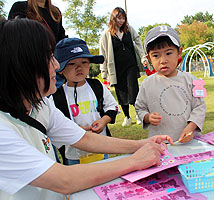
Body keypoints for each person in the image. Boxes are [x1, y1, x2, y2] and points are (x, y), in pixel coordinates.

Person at [0, 18, 173, 200]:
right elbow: (64, 180)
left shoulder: (40, 104)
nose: (57, 66)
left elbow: (82, 138)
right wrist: (134, 161)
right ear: (23, 65)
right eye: (49, 58)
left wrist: (142, 145)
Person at [52, 37, 120, 165]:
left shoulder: (97, 86)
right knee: (78, 182)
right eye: (72, 64)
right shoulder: (56, 95)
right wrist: (74, 130)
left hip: (100, 146)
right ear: (60, 68)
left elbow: (112, 108)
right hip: (73, 153)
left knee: (104, 176)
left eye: (84, 62)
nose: (79, 68)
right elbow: (53, 124)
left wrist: (103, 121)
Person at [135, 25, 206, 142]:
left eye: (168, 53)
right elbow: (140, 108)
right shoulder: (147, 84)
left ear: (179, 52)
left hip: (190, 141)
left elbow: (199, 107)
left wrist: (191, 126)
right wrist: (147, 117)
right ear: (149, 58)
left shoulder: (190, 80)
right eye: (156, 55)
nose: (163, 60)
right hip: (160, 143)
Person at [99, 7, 147, 126]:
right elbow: (103, 53)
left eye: (123, 18)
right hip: (116, 69)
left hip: (130, 65)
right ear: (113, 18)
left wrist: (143, 57)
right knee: (121, 93)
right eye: (119, 18)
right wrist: (104, 72)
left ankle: (138, 114)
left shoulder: (129, 30)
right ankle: (127, 116)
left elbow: (138, 42)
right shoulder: (106, 34)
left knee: (134, 90)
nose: (121, 21)